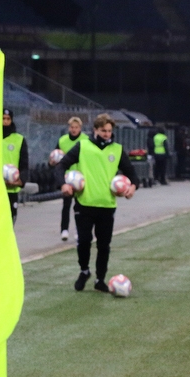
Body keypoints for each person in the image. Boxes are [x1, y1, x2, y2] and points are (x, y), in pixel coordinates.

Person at [54, 113, 139, 292]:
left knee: (103, 245)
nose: (107, 134)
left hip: (107, 206)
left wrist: (132, 188)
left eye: (109, 131)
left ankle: (100, 279)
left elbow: (132, 175)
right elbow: (61, 165)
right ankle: (84, 271)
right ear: (95, 130)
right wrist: (63, 184)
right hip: (84, 204)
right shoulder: (83, 146)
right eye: (103, 130)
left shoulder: (117, 150)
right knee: (84, 241)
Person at [55, 116, 88, 241]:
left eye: (76, 128)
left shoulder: (85, 140)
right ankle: (64, 230)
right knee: (66, 204)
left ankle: (79, 231)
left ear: (80, 128)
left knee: (80, 206)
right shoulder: (63, 140)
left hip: (80, 177)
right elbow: (56, 155)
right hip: (67, 177)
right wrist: (52, 161)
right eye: (72, 127)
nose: (74, 130)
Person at [2, 108, 28, 224]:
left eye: (8, 119)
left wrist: (21, 180)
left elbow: (24, 163)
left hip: (11, 189)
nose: (5, 121)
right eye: (3, 119)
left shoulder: (19, 140)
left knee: (9, 222)